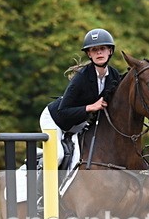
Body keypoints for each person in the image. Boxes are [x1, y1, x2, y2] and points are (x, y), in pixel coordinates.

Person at [39, 28, 122, 168]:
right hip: (55, 120)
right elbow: (62, 111)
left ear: (110, 51)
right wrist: (90, 107)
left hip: (79, 123)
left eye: (102, 48)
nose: (99, 52)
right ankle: (39, 184)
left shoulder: (114, 76)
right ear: (89, 54)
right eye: (94, 50)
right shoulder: (81, 78)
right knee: (58, 156)